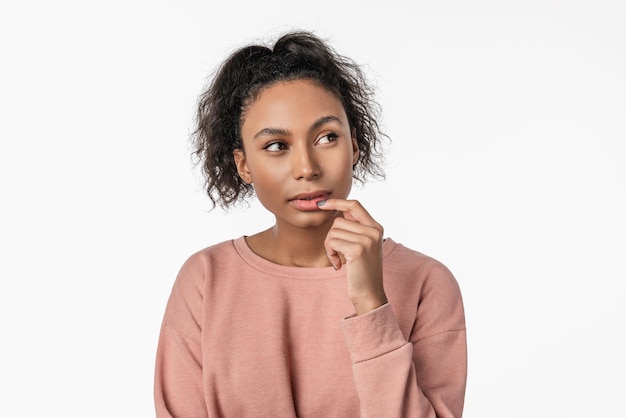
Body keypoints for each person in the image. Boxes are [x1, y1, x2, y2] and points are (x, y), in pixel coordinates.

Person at [154, 29, 467, 418]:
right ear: (244, 164)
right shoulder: (205, 279)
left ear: (354, 145)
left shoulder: (427, 282)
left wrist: (372, 304)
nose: (306, 168)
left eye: (326, 137)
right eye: (276, 146)